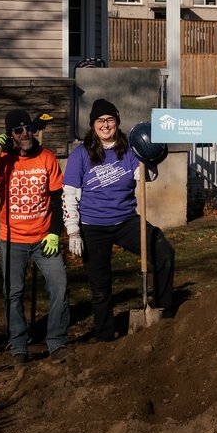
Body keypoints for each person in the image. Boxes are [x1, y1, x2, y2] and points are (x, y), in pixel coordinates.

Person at [63, 99, 174, 342]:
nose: (105, 125)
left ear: (117, 122)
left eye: (110, 120)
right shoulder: (81, 154)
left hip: (126, 222)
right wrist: (73, 231)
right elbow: (69, 194)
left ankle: (164, 312)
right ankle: (105, 335)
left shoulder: (129, 150)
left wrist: (150, 157)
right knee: (100, 286)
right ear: (93, 124)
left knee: (163, 251)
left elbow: (145, 176)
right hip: (93, 227)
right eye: (100, 120)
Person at [0, 109, 69, 365]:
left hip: (44, 238)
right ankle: (18, 344)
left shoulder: (47, 157)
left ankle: (56, 341)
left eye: (28, 128)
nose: (25, 133)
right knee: (13, 293)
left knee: (60, 286)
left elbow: (57, 198)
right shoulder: (4, 160)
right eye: (18, 130)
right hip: (12, 239)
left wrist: (55, 232)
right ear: (10, 135)